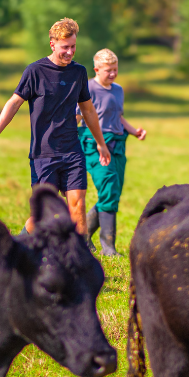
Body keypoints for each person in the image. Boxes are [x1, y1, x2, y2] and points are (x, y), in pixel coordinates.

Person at [0, 18, 111, 237]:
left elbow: (88, 111)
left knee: (77, 207)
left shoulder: (78, 73)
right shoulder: (35, 71)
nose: (70, 52)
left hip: (72, 151)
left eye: (73, 47)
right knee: (43, 216)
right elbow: (14, 103)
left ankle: (78, 261)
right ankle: (18, 245)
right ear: (52, 44)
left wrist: (100, 143)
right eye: (65, 47)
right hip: (43, 154)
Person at [76, 49, 146, 256]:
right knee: (107, 189)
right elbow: (78, 118)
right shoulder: (87, 88)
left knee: (113, 193)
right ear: (97, 69)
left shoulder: (118, 90)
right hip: (94, 145)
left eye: (115, 69)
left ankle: (83, 237)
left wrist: (134, 131)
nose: (113, 74)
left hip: (117, 145)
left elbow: (119, 117)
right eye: (109, 70)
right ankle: (108, 247)